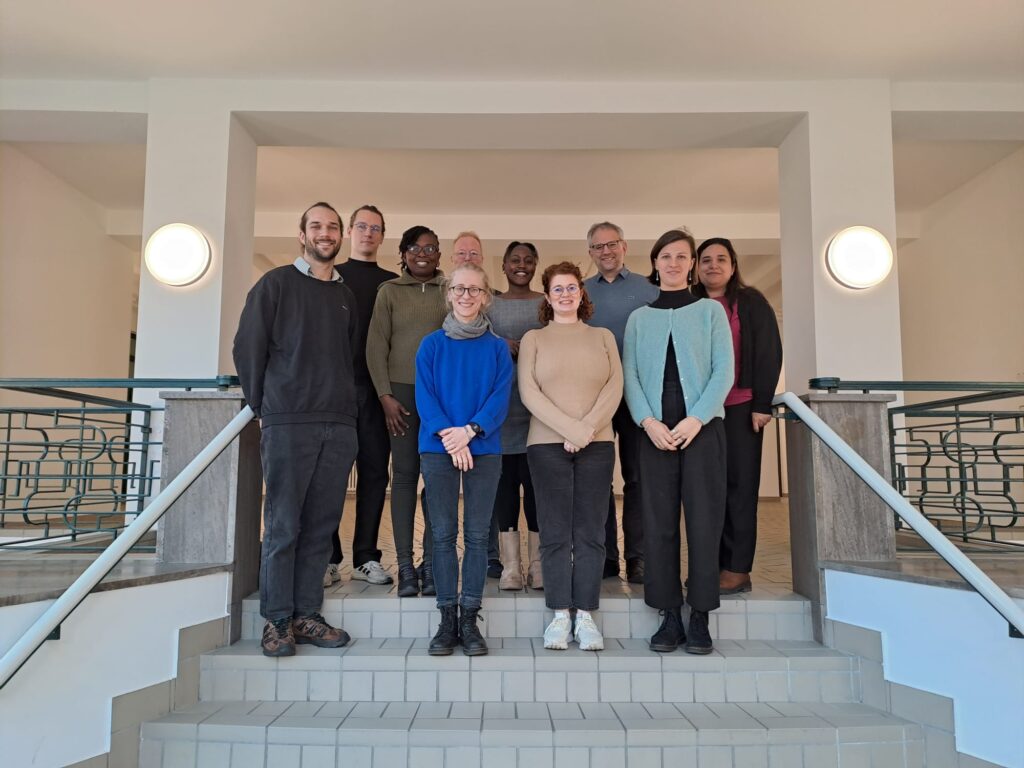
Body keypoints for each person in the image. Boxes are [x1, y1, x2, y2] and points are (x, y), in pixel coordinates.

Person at [233, 201, 358, 657]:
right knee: (284, 524)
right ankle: (277, 621)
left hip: (338, 425)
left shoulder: (345, 296)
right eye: (316, 226)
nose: (325, 234)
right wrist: (263, 406)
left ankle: (307, 614)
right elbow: (248, 346)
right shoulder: (275, 285)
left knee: (321, 527)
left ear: (340, 236)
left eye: (332, 227)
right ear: (302, 234)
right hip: (288, 422)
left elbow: (348, 356)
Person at [623, 228, 733, 655]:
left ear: (691, 265)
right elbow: (630, 375)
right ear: (654, 263)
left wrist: (696, 419)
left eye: (681, 256)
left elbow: (724, 371)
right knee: (658, 522)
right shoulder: (639, 319)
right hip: (653, 429)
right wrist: (647, 421)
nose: (672, 263)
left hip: (702, 427)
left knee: (704, 522)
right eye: (665, 255)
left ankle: (700, 615)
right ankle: (668, 614)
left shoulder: (710, 312)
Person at [520, 262, 623, 651]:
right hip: (546, 446)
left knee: (591, 531)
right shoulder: (534, 339)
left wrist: (587, 429)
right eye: (557, 289)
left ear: (582, 293)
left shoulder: (603, 337)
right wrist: (570, 429)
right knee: (555, 531)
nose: (565, 294)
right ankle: (560, 613)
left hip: (597, 444)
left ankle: (586, 614)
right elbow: (529, 393)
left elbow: (615, 386)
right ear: (547, 297)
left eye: (572, 287)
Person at [416, 263, 513, 656]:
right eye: (459, 289)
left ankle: (470, 617)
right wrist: (451, 438)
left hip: (484, 448)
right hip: (438, 448)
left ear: (485, 296)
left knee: (476, 536)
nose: (466, 295)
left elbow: (500, 398)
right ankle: (446, 619)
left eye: (474, 290)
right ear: (449, 293)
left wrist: (470, 432)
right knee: (442, 536)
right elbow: (425, 397)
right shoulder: (431, 345)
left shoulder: (496, 349)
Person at [693, 237, 782, 595]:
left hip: (741, 407)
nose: (713, 265)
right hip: (699, 412)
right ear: (696, 267)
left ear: (732, 265)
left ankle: (737, 568)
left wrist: (762, 403)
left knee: (740, 488)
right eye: (706, 260)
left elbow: (769, 352)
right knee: (705, 491)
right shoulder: (691, 304)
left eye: (721, 259)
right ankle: (709, 564)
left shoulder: (751, 302)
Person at [366, 226, 447, 597]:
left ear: (439, 254)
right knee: (403, 477)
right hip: (399, 396)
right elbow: (375, 346)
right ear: (403, 252)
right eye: (415, 247)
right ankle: (405, 567)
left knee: (435, 479)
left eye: (431, 248)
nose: (423, 253)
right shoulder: (389, 293)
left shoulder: (451, 291)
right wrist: (384, 396)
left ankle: (430, 566)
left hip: (442, 397)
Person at [323, 204, 397, 589]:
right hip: (336, 394)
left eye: (376, 228)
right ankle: (328, 557)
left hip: (378, 394)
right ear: (351, 231)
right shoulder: (331, 277)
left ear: (383, 236)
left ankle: (366, 557)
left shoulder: (392, 283)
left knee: (373, 475)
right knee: (331, 477)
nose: (369, 233)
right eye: (362, 226)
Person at [582, 222, 659, 584]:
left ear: (624, 246)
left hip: (638, 396)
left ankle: (638, 557)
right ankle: (606, 557)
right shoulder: (580, 293)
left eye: (611, 244)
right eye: (598, 247)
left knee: (638, 479)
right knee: (598, 479)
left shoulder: (649, 289)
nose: (606, 252)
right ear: (591, 253)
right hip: (594, 397)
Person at [486, 242, 545, 589]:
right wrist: (500, 344)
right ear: (504, 266)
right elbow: (477, 339)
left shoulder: (546, 303)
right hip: (501, 413)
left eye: (528, 260)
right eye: (515, 260)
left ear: (535, 264)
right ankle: (510, 566)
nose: (521, 265)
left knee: (537, 490)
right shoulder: (491, 305)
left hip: (539, 415)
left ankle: (538, 565)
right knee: (504, 490)